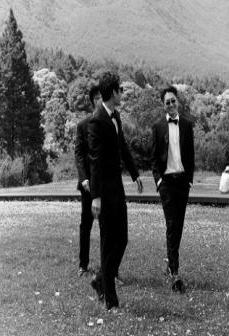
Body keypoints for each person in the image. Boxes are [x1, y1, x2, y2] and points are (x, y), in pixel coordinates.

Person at [88, 72, 143, 311]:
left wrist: (135, 174)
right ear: (112, 92)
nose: (122, 93)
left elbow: (123, 148)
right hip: (103, 193)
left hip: (117, 189)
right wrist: (96, 197)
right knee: (108, 241)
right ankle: (110, 298)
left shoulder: (116, 116)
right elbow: (95, 162)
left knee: (122, 239)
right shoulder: (96, 120)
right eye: (120, 89)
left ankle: (101, 278)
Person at [152, 86, 195, 293]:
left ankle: (170, 263)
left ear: (177, 102)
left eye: (173, 101)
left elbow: (191, 154)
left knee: (179, 225)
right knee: (171, 224)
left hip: (182, 182)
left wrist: (190, 180)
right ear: (164, 105)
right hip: (167, 183)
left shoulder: (186, 125)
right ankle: (175, 272)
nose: (170, 104)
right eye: (167, 102)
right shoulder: (158, 126)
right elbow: (153, 157)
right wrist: (159, 181)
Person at [75, 84, 101, 277]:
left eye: (103, 96)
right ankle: (83, 265)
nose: (100, 100)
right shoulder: (83, 125)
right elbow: (79, 155)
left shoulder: (110, 123)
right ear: (93, 101)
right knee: (86, 225)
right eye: (97, 97)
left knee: (107, 227)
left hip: (104, 184)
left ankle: (109, 268)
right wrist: (83, 178)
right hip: (88, 185)